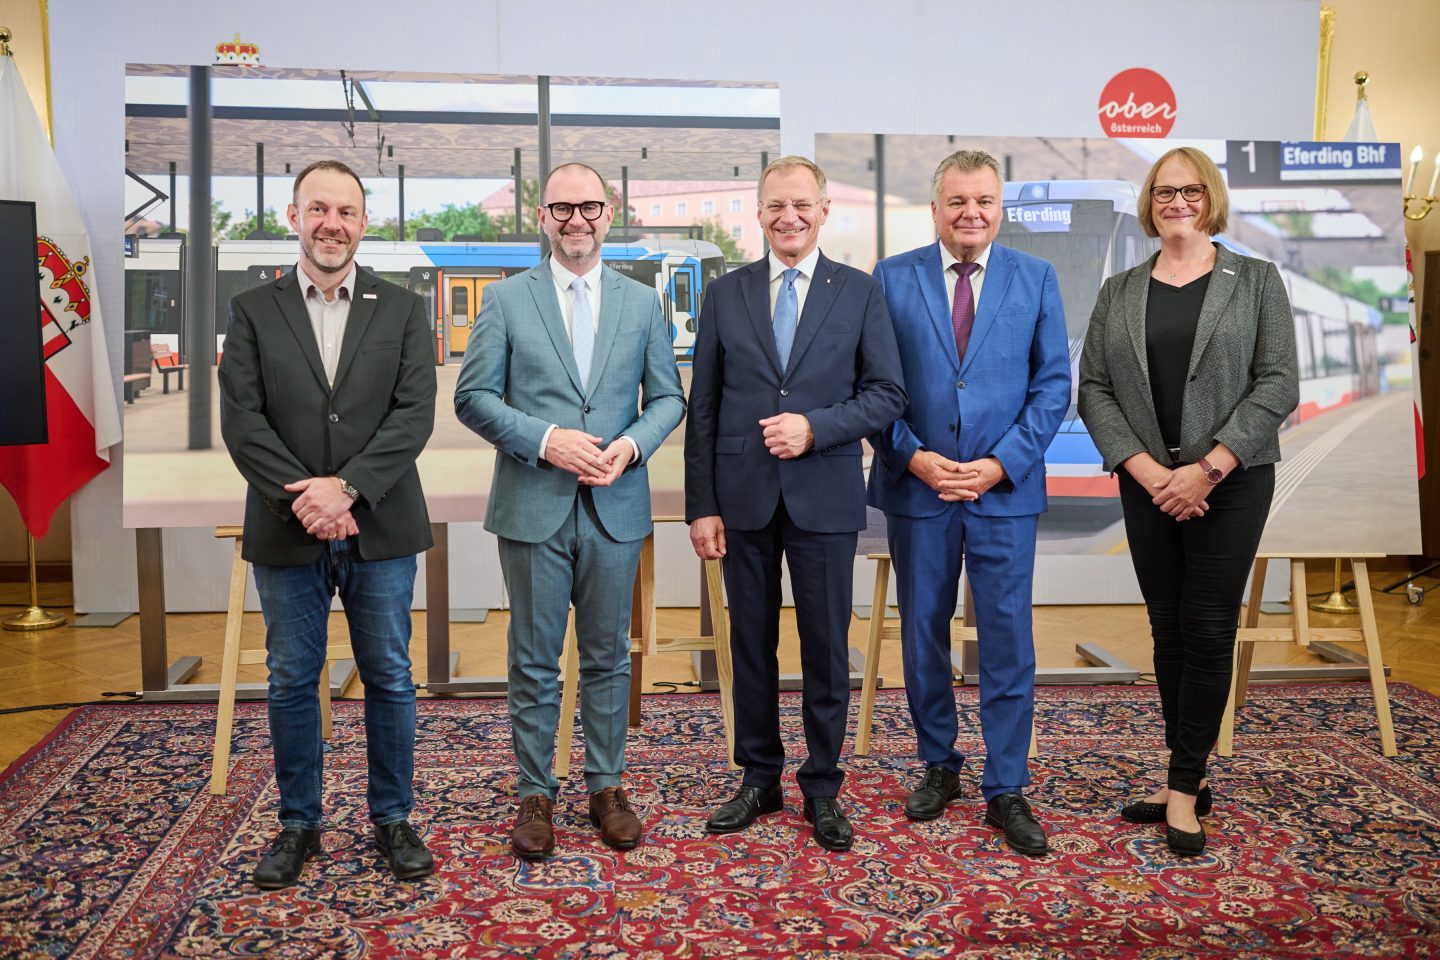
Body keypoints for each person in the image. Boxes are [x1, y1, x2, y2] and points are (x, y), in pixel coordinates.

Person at [455, 162, 685, 860]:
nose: (576, 220)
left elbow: (668, 399)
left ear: (608, 214)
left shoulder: (642, 303)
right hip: (533, 503)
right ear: (543, 217)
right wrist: (546, 440)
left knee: (609, 656)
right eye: (562, 208)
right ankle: (535, 793)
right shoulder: (505, 300)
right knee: (534, 660)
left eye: (588, 207)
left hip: (616, 505)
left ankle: (607, 788)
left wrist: (631, 447)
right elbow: (473, 398)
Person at [219, 159, 437, 889]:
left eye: (345, 212)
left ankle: (393, 819)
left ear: (363, 224)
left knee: (390, 676)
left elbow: (413, 415)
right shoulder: (253, 309)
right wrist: (307, 501)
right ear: (294, 216)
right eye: (318, 209)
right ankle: (298, 825)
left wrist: (345, 490)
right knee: (290, 679)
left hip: (381, 525)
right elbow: (243, 421)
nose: (331, 224)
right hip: (287, 529)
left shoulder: (402, 309)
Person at [1078, 146, 1299, 855]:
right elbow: (1094, 389)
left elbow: (1278, 383)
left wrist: (1207, 469)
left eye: (1192, 190)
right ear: (1151, 202)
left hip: (1231, 483)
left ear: (1212, 199)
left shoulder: (1256, 281)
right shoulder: (1119, 291)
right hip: (1148, 484)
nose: (1178, 202)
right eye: (1165, 191)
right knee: (1167, 631)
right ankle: (1189, 774)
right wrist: (1149, 471)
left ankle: (1181, 787)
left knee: (1206, 629)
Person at [685, 155, 906, 851]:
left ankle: (822, 786)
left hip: (825, 496)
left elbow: (887, 395)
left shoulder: (860, 292)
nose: (789, 217)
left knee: (826, 649)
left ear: (824, 210)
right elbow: (703, 407)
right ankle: (758, 778)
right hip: (741, 498)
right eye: (776, 205)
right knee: (749, 645)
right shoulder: (725, 294)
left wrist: (816, 427)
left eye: (802, 205)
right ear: (758, 213)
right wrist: (701, 505)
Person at [867, 150, 1070, 856]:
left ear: (1000, 209)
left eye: (983, 200)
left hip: (1003, 492)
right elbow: (872, 385)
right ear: (935, 209)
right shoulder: (891, 277)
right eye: (957, 201)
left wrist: (999, 464)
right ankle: (939, 764)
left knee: (1007, 639)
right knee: (923, 633)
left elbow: (1053, 385)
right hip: (917, 487)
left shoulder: (1035, 278)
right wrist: (914, 457)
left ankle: (1006, 785)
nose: (971, 213)